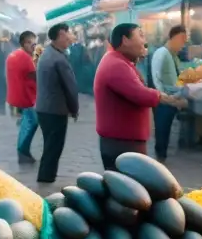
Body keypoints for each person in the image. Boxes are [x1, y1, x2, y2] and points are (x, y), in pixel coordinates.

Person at [94, 23, 181, 171]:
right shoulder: (116, 64)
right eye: (140, 35)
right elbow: (139, 94)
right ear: (125, 40)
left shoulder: (119, 60)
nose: (144, 41)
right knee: (129, 191)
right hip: (122, 143)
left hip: (124, 141)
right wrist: (168, 98)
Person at [35, 23, 80, 183]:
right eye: (67, 34)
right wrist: (74, 109)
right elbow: (71, 87)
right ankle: (46, 177)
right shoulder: (58, 58)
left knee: (50, 145)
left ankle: (46, 175)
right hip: (54, 109)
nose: (70, 37)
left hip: (44, 108)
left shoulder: (48, 53)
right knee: (53, 147)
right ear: (60, 35)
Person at [150, 25, 187, 162]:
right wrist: (162, 96)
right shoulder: (162, 53)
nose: (183, 43)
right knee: (162, 127)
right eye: (182, 39)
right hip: (164, 98)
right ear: (174, 37)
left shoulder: (173, 55)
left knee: (167, 127)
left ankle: (162, 154)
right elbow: (156, 76)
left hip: (171, 97)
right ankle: (160, 155)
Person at [6, 30, 39, 163]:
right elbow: (34, 76)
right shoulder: (25, 58)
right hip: (25, 96)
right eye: (30, 43)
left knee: (27, 122)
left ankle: (23, 151)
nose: (33, 46)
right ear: (24, 43)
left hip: (16, 95)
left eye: (34, 43)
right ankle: (23, 151)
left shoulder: (12, 55)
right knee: (32, 122)